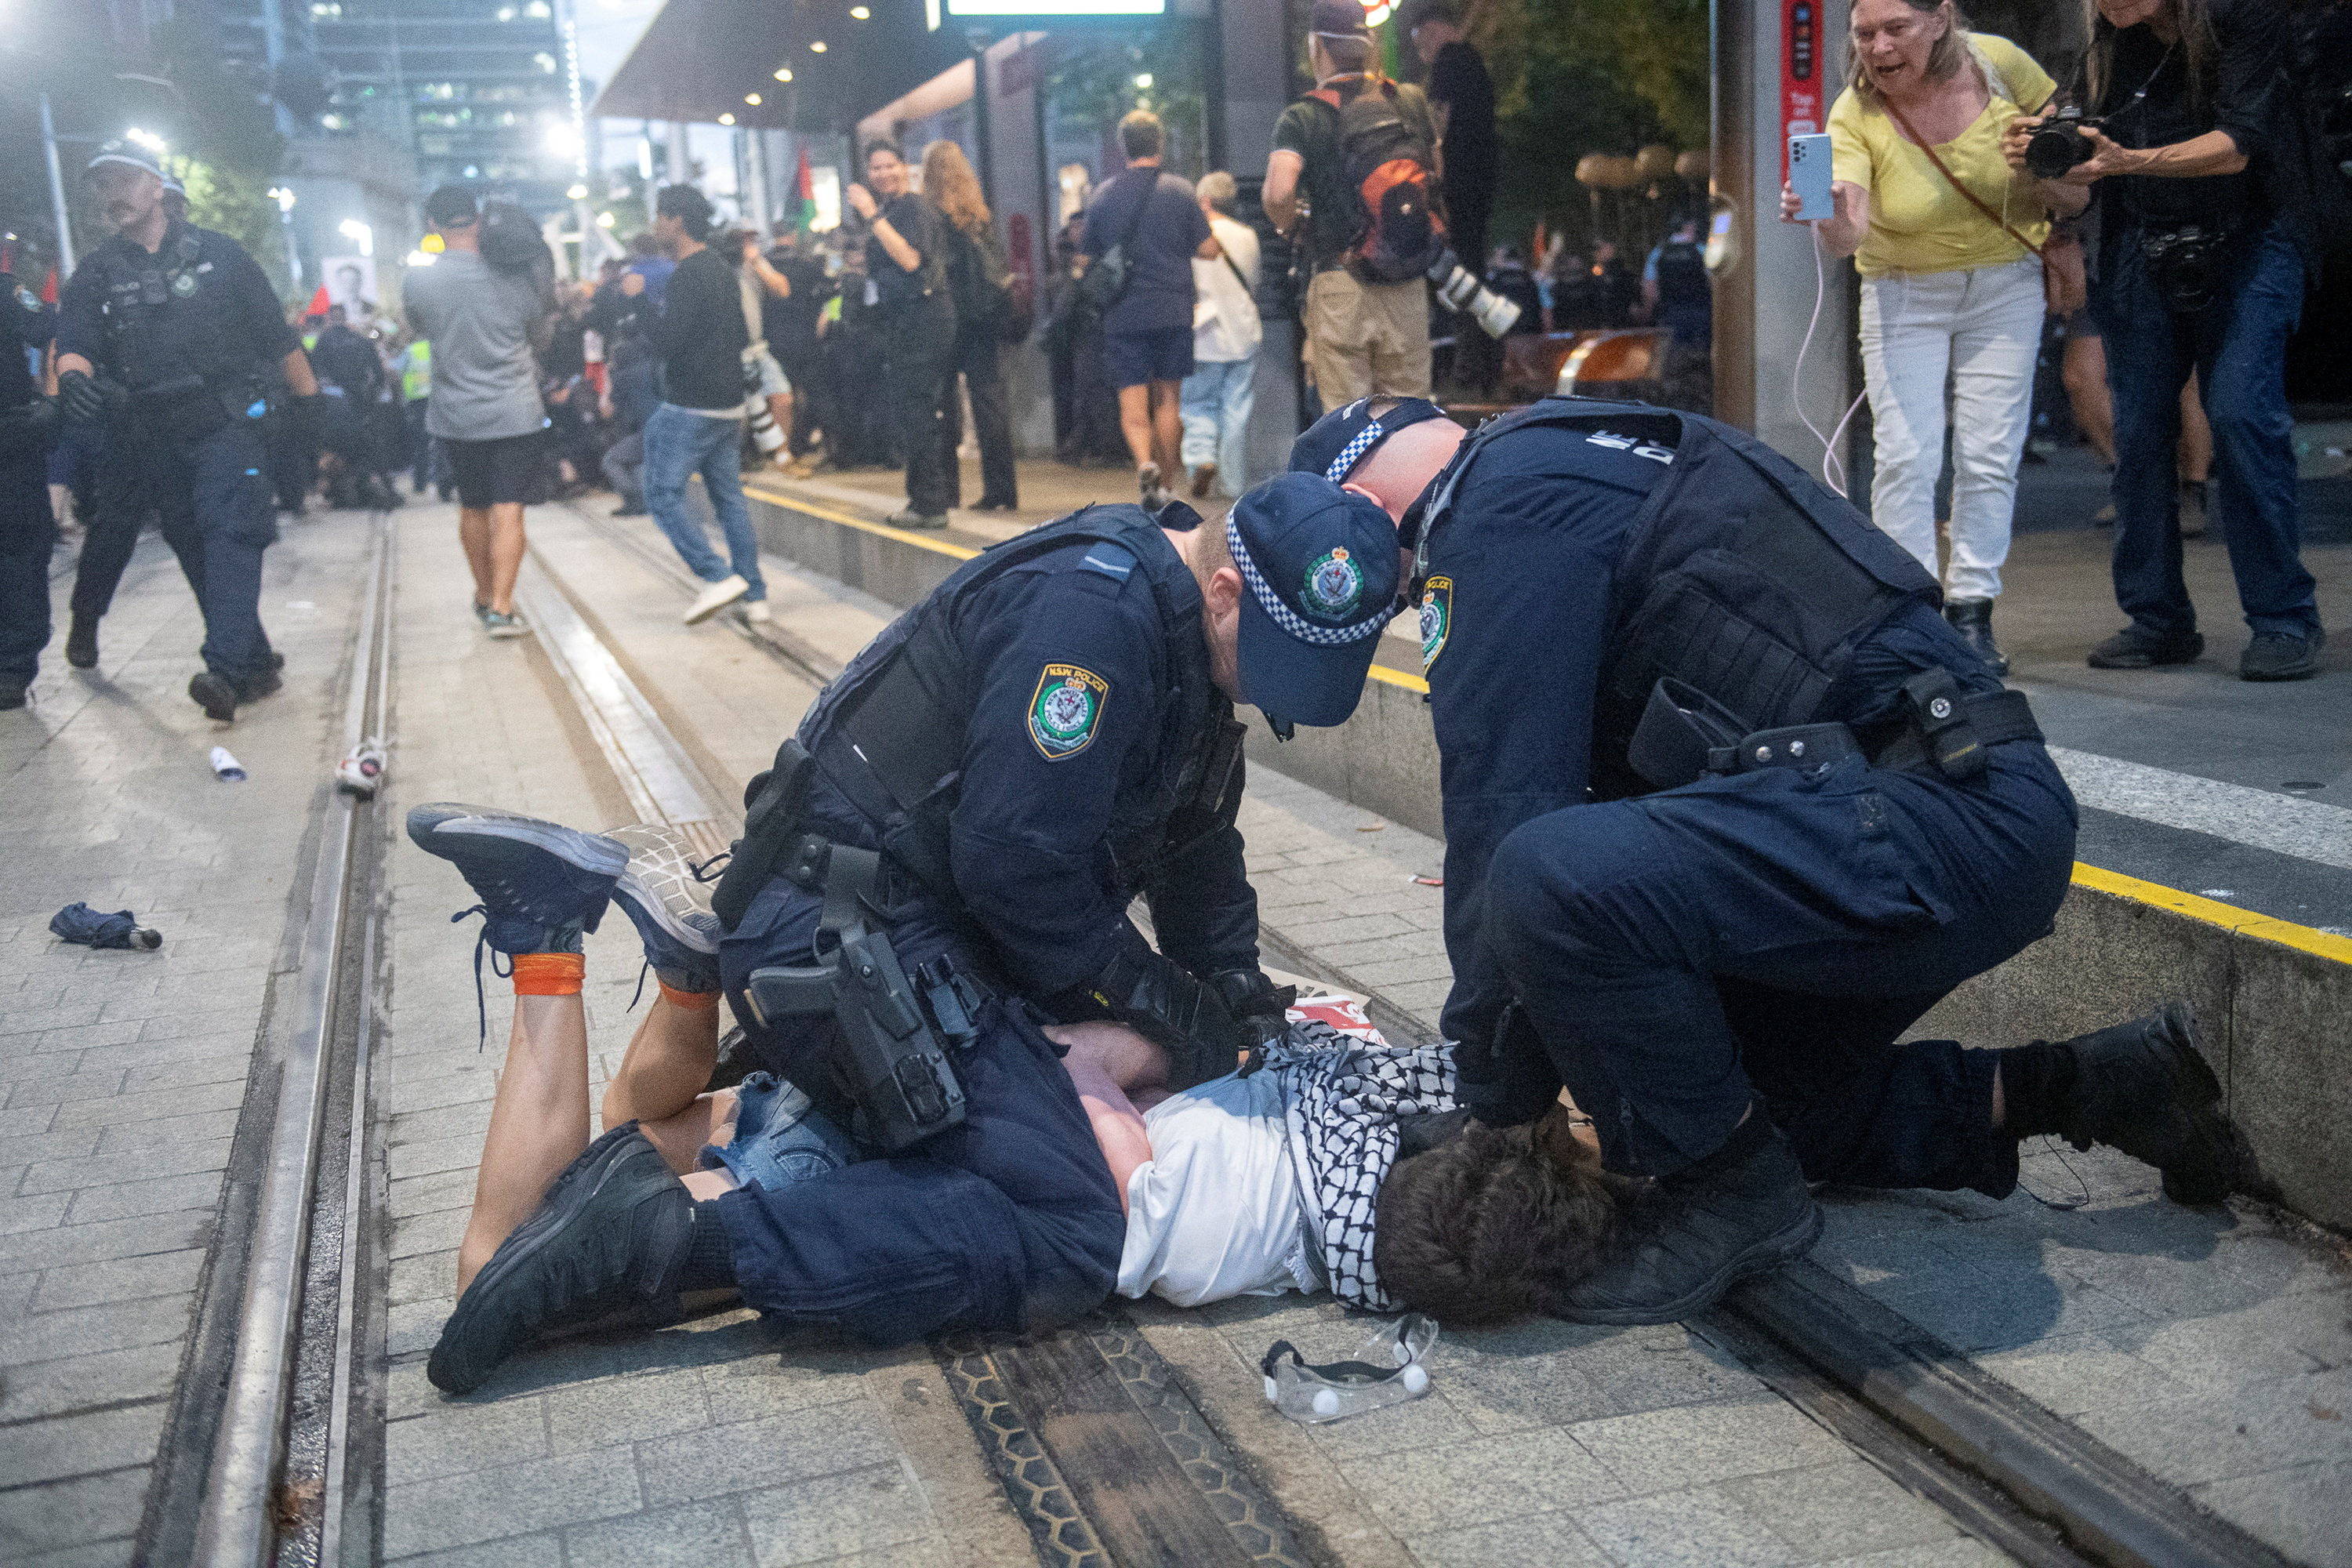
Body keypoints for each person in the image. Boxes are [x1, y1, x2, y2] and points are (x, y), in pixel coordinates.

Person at [408, 473, 1408, 1391]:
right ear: (1228, 588)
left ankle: (686, 1002)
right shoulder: (1095, 618)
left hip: (896, 922)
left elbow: (1194, 838)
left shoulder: (1179, 629)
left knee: (1070, 1087)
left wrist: (1229, 989)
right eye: (1275, 659)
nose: (1276, 691)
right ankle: (659, 1241)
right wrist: (1166, 1007)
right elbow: (1020, 870)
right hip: (854, 931)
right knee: (1072, 1221)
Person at [1288, 392, 2248, 1324]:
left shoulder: (1489, 510)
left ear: (1373, 516)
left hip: (1935, 814)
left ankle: (1734, 1198)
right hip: (1940, 815)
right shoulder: (1576, 453)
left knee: (1539, 874)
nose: (1413, 594)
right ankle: (2098, 1085)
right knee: (1700, 1094)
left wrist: (1488, 1106)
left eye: (1403, 585)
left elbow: (1503, 811)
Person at [2006, 0, 2324, 681]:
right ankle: (2157, 619)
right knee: (2140, 428)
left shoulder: (2245, 18)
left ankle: (2283, 616)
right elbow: (2085, 172)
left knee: (2240, 412)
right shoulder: (2108, 43)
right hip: (2139, 245)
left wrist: (2125, 160)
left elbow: (2236, 147)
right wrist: (2044, 159)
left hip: (2255, 240)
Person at [1788, 0, 2072, 677]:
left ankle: (1972, 611)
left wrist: (2048, 166)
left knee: (1989, 453)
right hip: (1904, 292)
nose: (1878, 48)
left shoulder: (2001, 66)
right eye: (1864, 34)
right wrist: (1823, 213)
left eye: (1896, 29)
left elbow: (2073, 162)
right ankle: (1912, 615)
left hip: (2005, 284)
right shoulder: (1853, 112)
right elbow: (1848, 236)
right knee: (1907, 458)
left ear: (1941, 19)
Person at [53, 140, 321, 721]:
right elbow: (73, 342)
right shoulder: (97, 272)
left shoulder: (223, 257)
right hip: (146, 433)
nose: (112, 194)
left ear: (158, 187)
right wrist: (72, 377)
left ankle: (223, 669)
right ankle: (251, 663)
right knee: (195, 546)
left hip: (223, 421)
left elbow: (278, 340)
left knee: (229, 531)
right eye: (103, 185)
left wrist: (311, 409)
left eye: (124, 179)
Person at [1265, 0, 1439, 413]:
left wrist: (1289, 226)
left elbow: (1277, 194)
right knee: (1409, 417)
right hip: (1406, 276)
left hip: (1339, 279)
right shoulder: (1409, 102)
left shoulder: (1304, 116)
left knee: (1349, 422)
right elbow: (1437, 173)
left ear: (1316, 46)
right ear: (1366, 44)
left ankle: (1354, 482)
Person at [402, 183, 552, 642]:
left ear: (432, 224)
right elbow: (538, 331)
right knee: (510, 509)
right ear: (478, 218)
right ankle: (504, 609)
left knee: (473, 506)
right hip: (516, 408)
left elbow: (419, 328)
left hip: (456, 413)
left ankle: (485, 595)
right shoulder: (514, 273)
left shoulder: (421, 278)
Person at [622, 187, 767, 626]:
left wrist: (637, 300)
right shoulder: (723, 270)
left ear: (676, 221)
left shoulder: (688, 274)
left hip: (693, 403)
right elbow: (742, 334)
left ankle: (716, 575)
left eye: (659, 217)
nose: (654, 225)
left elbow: (666, 342)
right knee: (729, 499)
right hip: (729, 403)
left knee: (661, 493)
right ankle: (755, 593)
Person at [1080, 111, 1217, 510]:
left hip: (1123, 312)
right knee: (1169, 401)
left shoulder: (1103, 195)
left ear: (1123, 147)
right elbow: (1209, 250)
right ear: (1160, 143)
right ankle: (1167, 484)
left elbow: (1086, 255)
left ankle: (1145, 465)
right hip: (1173, 307)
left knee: (1133, 403)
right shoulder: (1179, 191)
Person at [846, 141, 958, 530]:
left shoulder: (910, 207)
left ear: (905, 167)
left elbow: (910, 259)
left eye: (890, 166)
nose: (883, 174)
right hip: (905, 317)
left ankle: (929, 504)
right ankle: (929, 499)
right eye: (876, 169)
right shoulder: (895, 210)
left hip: (922, 316)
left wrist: (871, 214)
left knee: (916, 410)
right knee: (915, 410)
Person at [924, 140, 1019, 513]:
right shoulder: (980, 216)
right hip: (985, 322)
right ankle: (1002, 491)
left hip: (950, 320)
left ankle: (949, 491)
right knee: (990, 405)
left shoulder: (933, 218)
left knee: (945, 406)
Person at [1178, 172, 1261, 502]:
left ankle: (1201, 458)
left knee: (1197, 403)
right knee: (1236, 409)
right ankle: (1234, 484)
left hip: (1204, 334)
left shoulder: (1192, 238)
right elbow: (1253, 281)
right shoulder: (1247, 236)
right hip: (1242, 330)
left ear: (1205, 201)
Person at [0, 258, 56, 711]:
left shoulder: (6, 292)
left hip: (10, 438)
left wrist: (55, 396)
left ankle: (12, 668)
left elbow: (54, 331)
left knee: (18, 547)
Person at [1410, 2, 1499, 284]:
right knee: (1474, 245)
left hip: (1460, 169)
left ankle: (1467, 317)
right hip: (1482, 166)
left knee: (1459, 245)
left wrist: (1426, 157)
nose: (1419, 51)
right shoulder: (1471, 58)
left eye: (1419, 41)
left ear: (1433, 31)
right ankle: (1478, 318)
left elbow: (1440, 119)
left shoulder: (1448, 59)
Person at [1642, 216, 1714, 350]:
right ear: (1687, 228)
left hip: (1669, 313)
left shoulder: (1658, 253)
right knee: (1701, 353)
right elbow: (1715, 282)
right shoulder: (1701, 251)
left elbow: (1649, 290)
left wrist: (1647, 314)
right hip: (1700, 313)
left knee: (1674, 355)